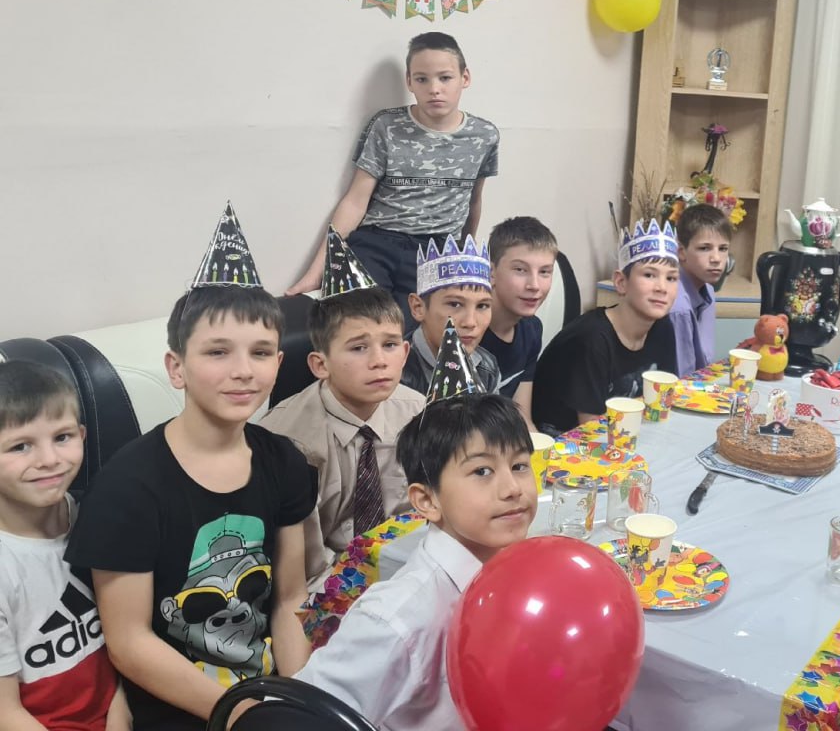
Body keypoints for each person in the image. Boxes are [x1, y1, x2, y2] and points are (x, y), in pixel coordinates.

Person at [65, 206, 316, 731]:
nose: (243, 370)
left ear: (278, 364)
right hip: (175, 703)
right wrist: (244, 716)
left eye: (261, 353)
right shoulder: (127, 488)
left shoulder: (285, 462)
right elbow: (130, 642)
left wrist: (297, 702)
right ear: (176, 368)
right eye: (218, 352)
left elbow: (290, 597)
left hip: (266, 688)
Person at [294, 393, 535, 730]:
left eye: (519, 465)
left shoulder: (521, 569)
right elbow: (292, 715)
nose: (512, 489)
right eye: (482, 471)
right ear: (427, 501)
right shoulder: (396, 620)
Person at [286, 32, 500, 325]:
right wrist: (316, 270)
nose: (434, 89)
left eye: (445, 78)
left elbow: (473, 201)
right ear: (409, 82)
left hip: (434, 251)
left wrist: (464, 255)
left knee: (409, 331)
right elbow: (355, 201)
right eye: (422, 79)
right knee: (359, 323)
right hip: (377, 242)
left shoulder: (484, 136)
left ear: (465, 78)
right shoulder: (386, 125)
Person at [261, 228, 421, 591]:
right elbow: (301, 569)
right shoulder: (288, 440)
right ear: (320, 364)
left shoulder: (418, 412)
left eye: (390, 345)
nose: (379, 361)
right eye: (358, 348)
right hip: (325, 584)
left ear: (405, 353)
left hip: (407, 566)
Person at [0, 362, 128, 731]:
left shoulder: (99, 516)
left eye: (62, 437)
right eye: (20, 446)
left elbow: (132, 638)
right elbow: (6, 713)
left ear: (83, 436)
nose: (49, 460)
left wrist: (123, 714)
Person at [533, 220, 678, 434]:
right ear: (621, 282)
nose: (662, 288)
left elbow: (662, 401)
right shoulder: (591, 339)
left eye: (671, 278)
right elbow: (591, 429)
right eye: (649, 275)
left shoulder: (662, 327)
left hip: (623, 432)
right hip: (568, 439)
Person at [481, 216, 559, 428]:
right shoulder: (469, 333)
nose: (534, 285)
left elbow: (522, 415)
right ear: (491, 272)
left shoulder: (532, 329)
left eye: (544, 272)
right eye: (520, 270)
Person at [402, 234, 500, 395]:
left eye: (482, 306)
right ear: (418, 307)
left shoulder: (487, 368)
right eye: (455, 304)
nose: (470, 322)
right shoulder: (395, 370)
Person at [669, 204, 731, 377]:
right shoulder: (678, 307)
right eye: (704, 248)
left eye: (723, 248)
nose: (716, 258)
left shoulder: (708, 290)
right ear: (681, 252)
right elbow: (684, 378)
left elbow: (704, 361)